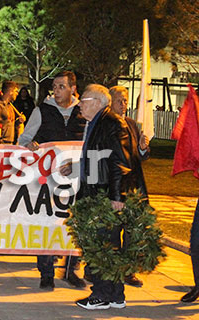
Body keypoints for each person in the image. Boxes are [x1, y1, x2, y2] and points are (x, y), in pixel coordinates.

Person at [18, 70, 87, 290]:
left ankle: (70, 270)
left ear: (73, 89)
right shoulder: (42, 111)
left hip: (76, 180)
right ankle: (46, 272)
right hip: (48, 181)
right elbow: (23, 140)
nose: (56, 91)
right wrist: (29, 146)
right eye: (54, 87)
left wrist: (78, 165)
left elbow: (90, 145)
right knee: (47, 223)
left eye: (61, 87)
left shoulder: (83, 112)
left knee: (75, 224)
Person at [75, 84, 132, 310]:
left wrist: (117, 196)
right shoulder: (96, 123)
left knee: (102, 247)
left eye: (83, 100)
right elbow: (98, 159)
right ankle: (116, 295)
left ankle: (101, 295)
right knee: (109, 246)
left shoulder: (110, 123)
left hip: (105, 195)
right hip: (96, 192)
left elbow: (120, 162)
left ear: (98, 103)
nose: (79, 104)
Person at [109, 85, 150, 287]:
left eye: (125, 100)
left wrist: (142, 149)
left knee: (132, 231)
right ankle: (109, 270)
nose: (123, 104)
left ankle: (128, 271)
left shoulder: (132, 124)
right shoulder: (106, 125)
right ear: (110, 102)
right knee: (112, 231)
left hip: (133, 186)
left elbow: (139, 157)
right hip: (114, 186)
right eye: (119, 100)